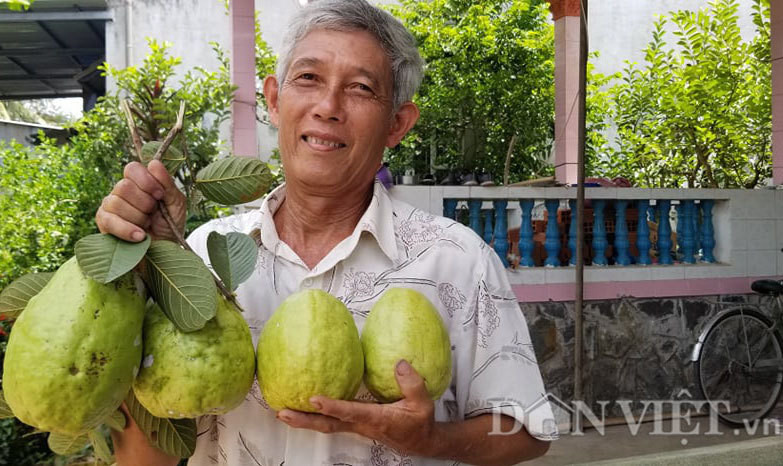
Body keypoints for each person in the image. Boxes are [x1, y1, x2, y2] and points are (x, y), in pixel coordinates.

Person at [97, 1, 557, 464]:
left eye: (360, 88)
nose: (328, 107)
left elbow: (526, 432)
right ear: (274, 100)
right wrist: (145, 268)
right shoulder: (200, 260)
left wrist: (431, 439)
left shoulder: (457, 259)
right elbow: (148, 457)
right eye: (308, 78)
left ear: (397, 124)